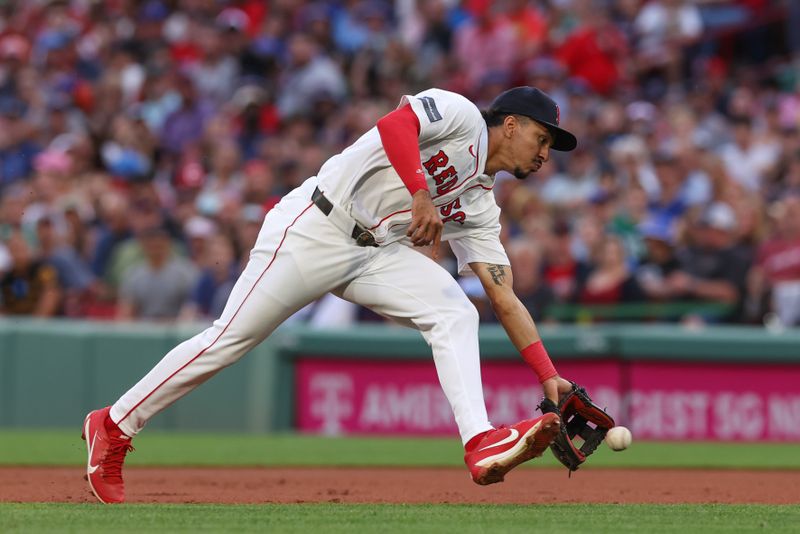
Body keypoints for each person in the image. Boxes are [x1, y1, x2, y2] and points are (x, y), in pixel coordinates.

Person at [81, 86, 577, 503]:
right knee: (227, 340)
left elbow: (503, 295)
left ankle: (480, 442)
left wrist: (548, 375)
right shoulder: (462, 114)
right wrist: (422, 193)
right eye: (541, 138)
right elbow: (396, 125)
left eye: (549, 146)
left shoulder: (480, 204)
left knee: (455, 312)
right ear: (510, 124)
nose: (543, 153)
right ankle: (115, 422)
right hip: (316, 225)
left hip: (375, 253)